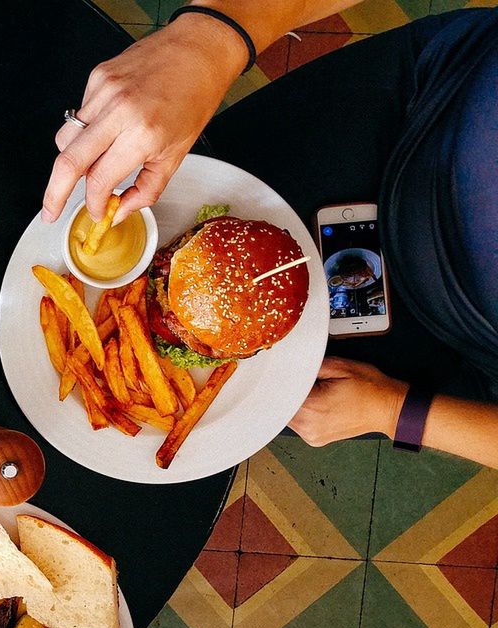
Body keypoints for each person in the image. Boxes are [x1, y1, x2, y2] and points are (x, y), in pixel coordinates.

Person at [40, 2, 498, 469]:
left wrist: (397, 411)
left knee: (287, 400)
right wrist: (208, 41)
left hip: (447, 338)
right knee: (207, 150)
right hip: (426, 89)